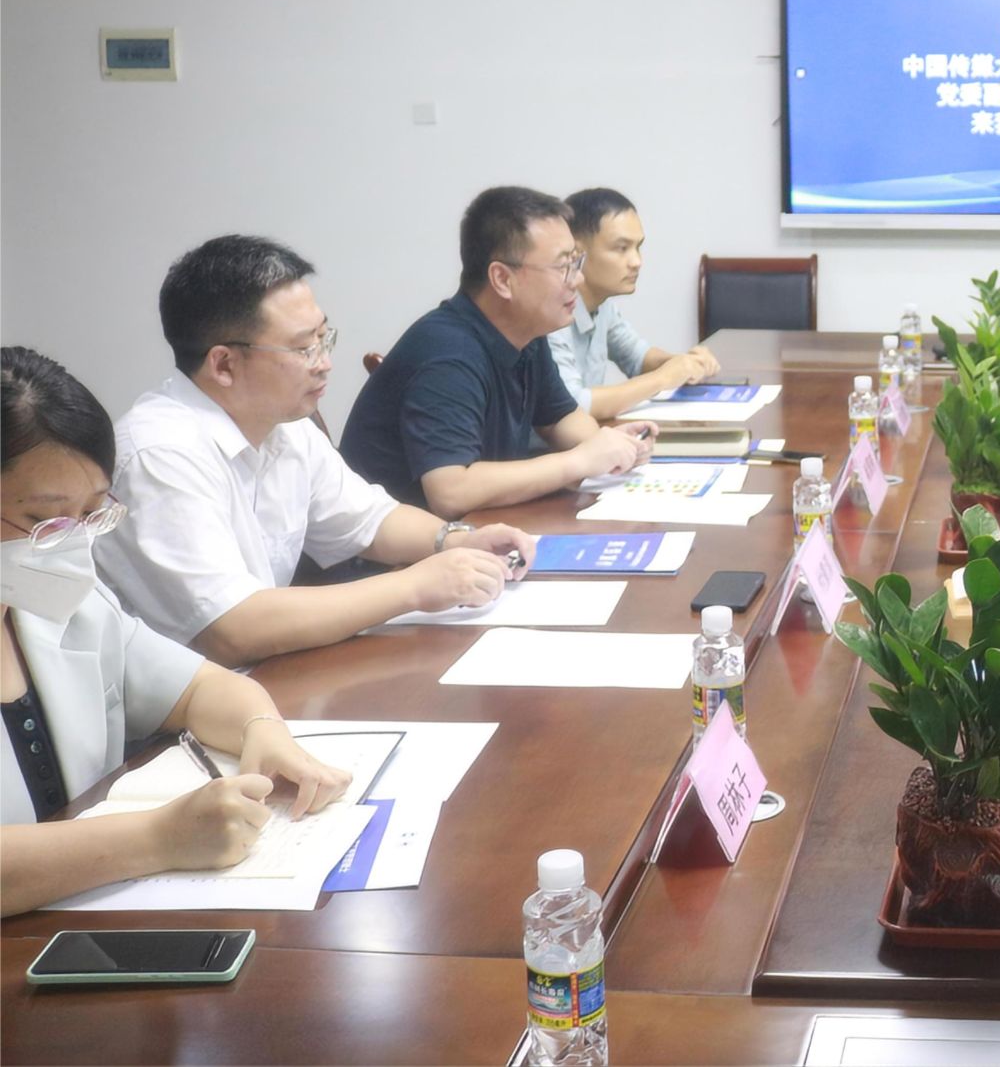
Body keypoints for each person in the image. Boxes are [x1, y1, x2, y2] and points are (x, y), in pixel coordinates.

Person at [0, 347, 352, 916]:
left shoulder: (63, 605)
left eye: (92, 514)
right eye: (45, 521)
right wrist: (157, 839)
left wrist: (263, 731)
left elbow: (200, 688)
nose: (75, 543)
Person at [95, 236, 539, 668]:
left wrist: (457, 539)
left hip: (259, 679)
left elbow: (369, 521)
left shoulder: (286, 426)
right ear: (224, 365)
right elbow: (232, 630)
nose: (324, 362)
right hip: (175, 708)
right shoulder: (159, 456)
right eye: (303, 348)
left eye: (324, 338)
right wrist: (415, 587)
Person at [340, 186, 653, 517]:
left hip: (473, 530)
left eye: (576, 262)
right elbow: (451, 491)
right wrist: (579, 461)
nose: (576, 280)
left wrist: (611, 446)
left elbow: (561, 418)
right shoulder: (447, 353)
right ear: (502, 279)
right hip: (393, 545)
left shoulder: (526, 334)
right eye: (564, 266)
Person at [550, 187, 720, 422]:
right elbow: (573, 404)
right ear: (577, 253)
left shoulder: (602, 305)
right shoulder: (549, 314)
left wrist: (684, 364)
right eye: (622, 248)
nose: (636, 262)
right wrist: (663, 378)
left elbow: (638, 358)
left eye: (638, 247)